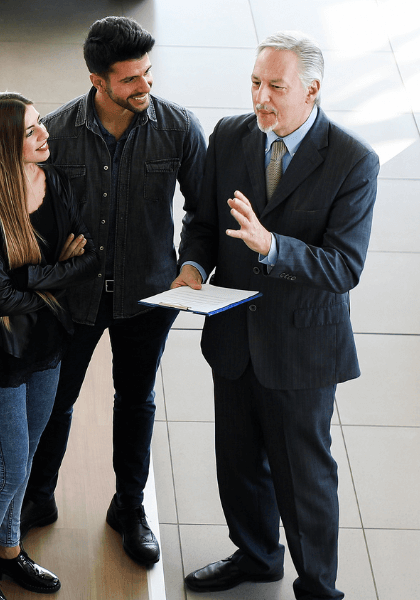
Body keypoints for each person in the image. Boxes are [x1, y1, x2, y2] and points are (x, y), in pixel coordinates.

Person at [174, 31, 378, 599]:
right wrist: (193, 265)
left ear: (311, 90)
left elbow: (343, 267)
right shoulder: (231, 135)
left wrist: (272, 247)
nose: (261, 98)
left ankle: (317, 588)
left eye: (275, 87)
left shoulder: (353, 161)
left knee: (303, 480)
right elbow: (204, 222)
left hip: (300, 350)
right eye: (256, 84)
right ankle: (258, 555)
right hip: (234, 336)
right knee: (237, 465)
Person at [20, 16, 206, 568]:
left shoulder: (178, 129)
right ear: (97, 80)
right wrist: (52, 251)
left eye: (148, 73)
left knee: (137, 402)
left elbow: (202, 211)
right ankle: (39, 496)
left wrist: (193, 265)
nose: (145, 86)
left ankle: (128, 508)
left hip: (148, 298)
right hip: (73, 299)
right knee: (56, 401)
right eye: (131, 80)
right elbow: (31, 213)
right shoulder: (56, 134)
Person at [0, 92, 99, 600]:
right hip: (2, 354)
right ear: (5, 144)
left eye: (41, 125)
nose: (45, 135)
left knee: (29, 453)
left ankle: (9, 551)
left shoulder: (54, 180)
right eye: (32, 131)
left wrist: (34, 278)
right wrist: (54, 275)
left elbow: (89, 257)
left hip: (48, 344)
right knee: (10, 469)